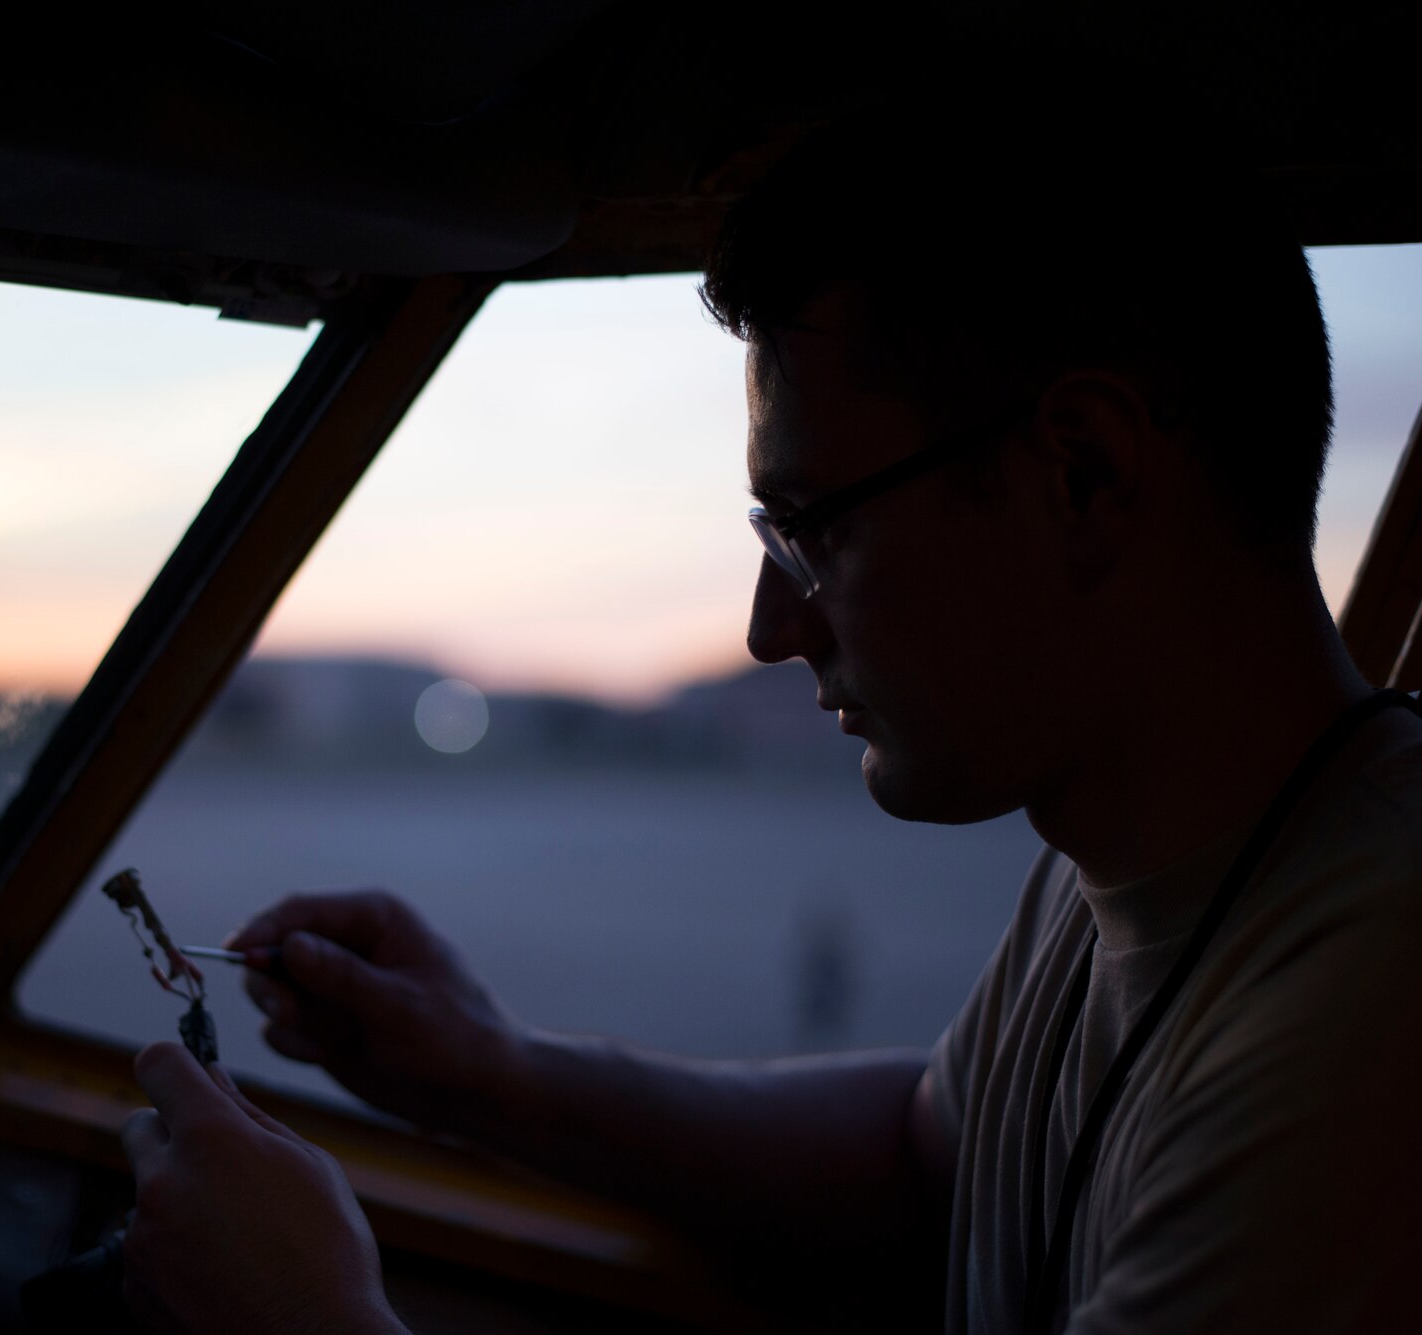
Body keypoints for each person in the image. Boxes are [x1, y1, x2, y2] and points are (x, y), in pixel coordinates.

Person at [116, 106, 1422, 1333]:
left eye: (809, 527)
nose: (769, 625)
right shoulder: (1148, 864)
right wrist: (487, 1076)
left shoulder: (1364, 1042)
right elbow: (929, 1163)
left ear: (1084, 473)